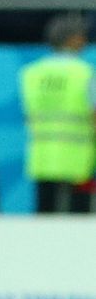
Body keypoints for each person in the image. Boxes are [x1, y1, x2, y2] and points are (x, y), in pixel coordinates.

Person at [19, 13, 96, 213]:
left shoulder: (32, 74)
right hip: (79, 161)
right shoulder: (84, 73)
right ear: (72, 39)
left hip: (43, 158)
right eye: (81, 35)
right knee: (79, 219)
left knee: (45, 218)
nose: (85, 39)